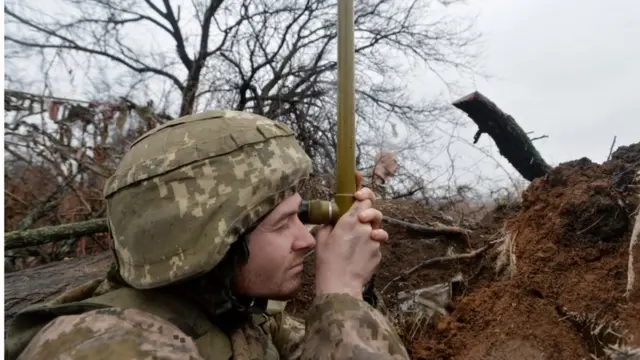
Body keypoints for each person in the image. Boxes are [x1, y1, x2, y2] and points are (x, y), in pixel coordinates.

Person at [5, 110, 409, 360]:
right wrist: (342, 290)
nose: (305, 240)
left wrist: (349, 289)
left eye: (299, 216)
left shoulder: (232, 316)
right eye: (281, 224)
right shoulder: (114, 345)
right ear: (212, 243)